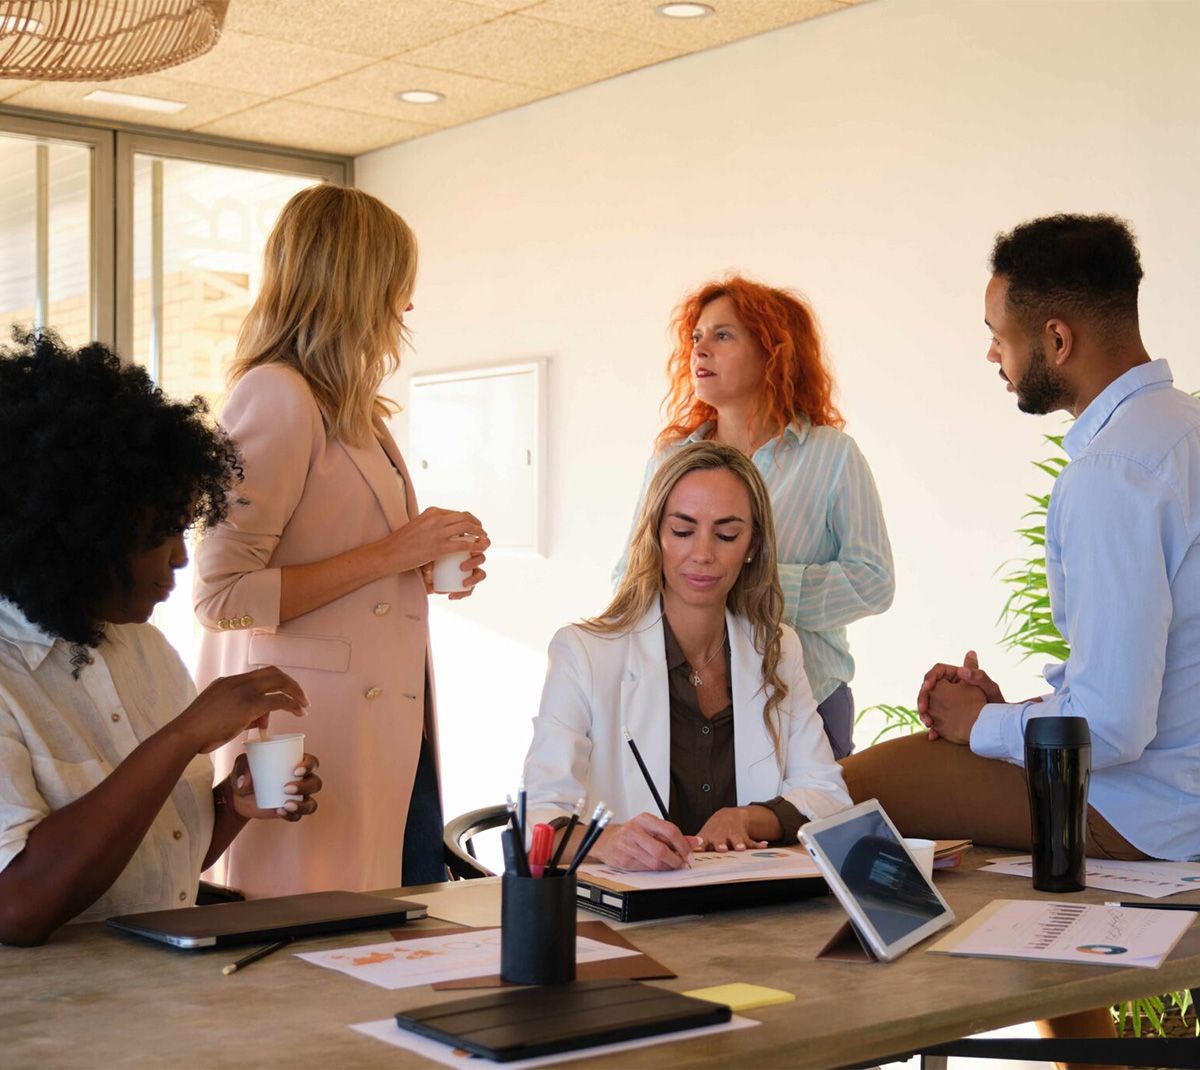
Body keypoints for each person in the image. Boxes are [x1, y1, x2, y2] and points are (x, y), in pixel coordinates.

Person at [841, 213, 1200, 1058]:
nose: (992, 360)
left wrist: (980, 729)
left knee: (847, 793)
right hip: (1174, 786)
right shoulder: (1182, 432)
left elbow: (1112, 727)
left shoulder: (1113, 474)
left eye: (998, 338)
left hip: (1148, 811)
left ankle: (859, 1038)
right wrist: (1018, 714)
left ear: (1057, 337)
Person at [193, 185, 488, 897]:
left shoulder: (354, 410)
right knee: (319, 959)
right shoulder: (276, 396)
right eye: (396, 282)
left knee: (386, 942)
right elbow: (220, 599)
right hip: (311, 735)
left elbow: (348, 568)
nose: (406, 305)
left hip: (388, 729)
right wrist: (393, 554)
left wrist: (420, 571)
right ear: (356, 283)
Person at [0, 331, 322, 946]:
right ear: (80, 535)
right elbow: (19, 907)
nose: (180, 558)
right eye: (161, 534)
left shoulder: (144, 650)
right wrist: (184, 736)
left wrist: (233, 806)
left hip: (158, 992)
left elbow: (163, 866)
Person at [525, 442, 851, 871]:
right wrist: (608, 842)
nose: (703, 554)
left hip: (747, 909)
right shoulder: (584, 652)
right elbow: (537, 817)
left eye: (727, 534)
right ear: (656, 536)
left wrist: (750, 818)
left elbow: (827, 794)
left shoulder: (777, 647)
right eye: (683, 531)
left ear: (753, 544)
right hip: (631, 914)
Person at [616, 277, 893, 759]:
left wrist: (757, 585)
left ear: (774, 351)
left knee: (805, 832)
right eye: (697, 337)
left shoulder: (833, 456)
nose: (700, 350)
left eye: (723, 335)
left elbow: (873, 582)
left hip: (811, 700)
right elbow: (629, 575)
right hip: (687, 702)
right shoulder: (669, 459)